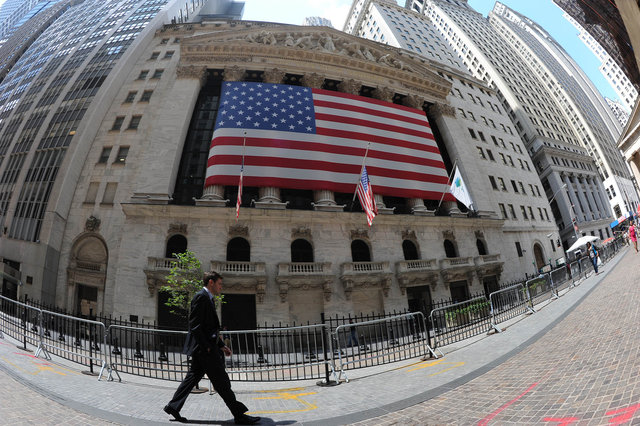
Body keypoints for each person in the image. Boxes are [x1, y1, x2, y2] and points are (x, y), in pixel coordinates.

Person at [164, 271, 260, 425]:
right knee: (222, 382)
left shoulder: (209, 298)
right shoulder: (201, 297)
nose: (221, 287)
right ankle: (239, 415)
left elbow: (209, 328)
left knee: (192, 378)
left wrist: (221, 346)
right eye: (219, 284)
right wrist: (208, 347)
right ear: (211, 282)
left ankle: (173, 406)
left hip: (206, 349)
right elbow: (195, 325)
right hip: (205, 351)